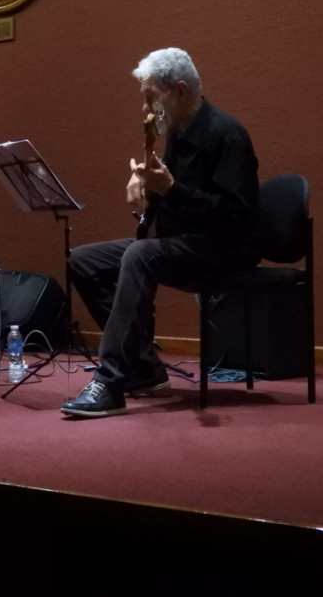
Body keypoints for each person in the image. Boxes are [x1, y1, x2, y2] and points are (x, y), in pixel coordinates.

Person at [63, 47, 261, 418]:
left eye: (151, 98)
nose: (146, 110)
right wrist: (140, 182)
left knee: (138, 255)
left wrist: (172, 190)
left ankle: (110, 380)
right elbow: (159, 171)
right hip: (181, 242)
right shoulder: (171, 128)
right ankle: (143, 369)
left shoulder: (228, 135)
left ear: (180, 91)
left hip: (226, 246)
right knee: (83, 260)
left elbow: (237, 217)